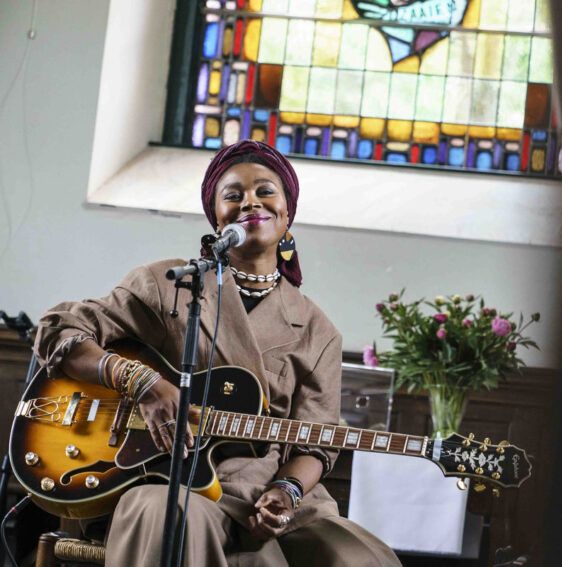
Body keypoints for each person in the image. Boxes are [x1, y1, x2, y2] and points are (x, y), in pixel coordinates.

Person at [34, 140, 402, 566]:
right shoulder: (168, 285)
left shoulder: (318, 330)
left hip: (264, 495)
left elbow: (315, 444)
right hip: (166, 480)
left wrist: (286, 491)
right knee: (171, 515)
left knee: (363, 558)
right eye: (233, 194)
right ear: (217, 216)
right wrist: (139, 381)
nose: (250, 202)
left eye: (265, 191)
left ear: (287, 212)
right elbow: (59, 330)